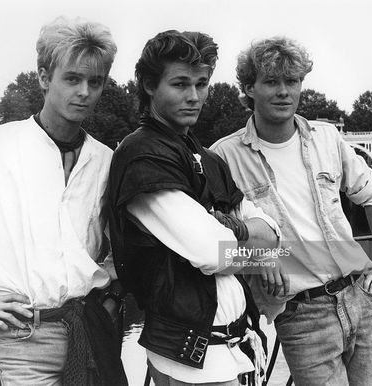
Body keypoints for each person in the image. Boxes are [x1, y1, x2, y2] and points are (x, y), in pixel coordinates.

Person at [0, 16, 127, 385]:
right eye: (72, 78)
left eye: (96, 82)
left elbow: (126, 248)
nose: (85, 91)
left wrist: (112, 295)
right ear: (43, 77)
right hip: (23, 340)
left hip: (92, 330)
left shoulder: (106, 160)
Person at [211, 36, 372, 386]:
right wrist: (264, 256)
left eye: (292, 81)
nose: (284, 91)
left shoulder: (326, 138)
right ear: (249, 88)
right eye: (271, 81)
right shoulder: (224, 157)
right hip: (301, 313)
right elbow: (210, 242)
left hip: (359, 296)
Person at [108, 30, 281, 386]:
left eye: (201, 84)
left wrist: (236, 231)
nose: (194, 96)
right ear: (149, 85)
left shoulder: (206, 158)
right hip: (190, 361)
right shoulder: (143, 155)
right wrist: (250, 240)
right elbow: (211, 253)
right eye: (180, 84)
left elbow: (272, 233)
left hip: (232, 351)